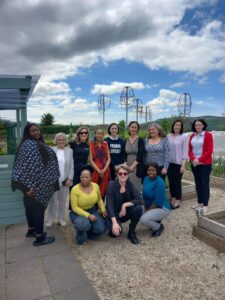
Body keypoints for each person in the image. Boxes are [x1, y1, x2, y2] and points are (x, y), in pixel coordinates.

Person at [11, 123, 60, 246]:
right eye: (32, 131)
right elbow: (44, 164)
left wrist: (25, 188)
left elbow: (20, 168)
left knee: (29, 209)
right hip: (37, 187)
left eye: (37, 130)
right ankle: (39, 238)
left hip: (28, 188)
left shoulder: (23, 146)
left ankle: (31, 230)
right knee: (38, 210)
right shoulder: (32, 146)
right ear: (27, 132)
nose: (36, 133)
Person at [106, 164, 143, 244]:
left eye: (125, 173)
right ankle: (110, 227)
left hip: (124, 213)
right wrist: (114, 223)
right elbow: (109, 205)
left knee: (139, 208)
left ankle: (131, 232)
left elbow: (140, 199)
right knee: (116, 234)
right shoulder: (111, 185)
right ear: (117, 174)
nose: (122, 175)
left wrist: (125, 205)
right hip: (114, 214)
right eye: (120, 173)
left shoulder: (130, 185)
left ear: (128, 174)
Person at [69, 167, 106, 245]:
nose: (84, 179)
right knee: (82, 239)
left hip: (92, 210)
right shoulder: (75, 189)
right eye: (82, 177)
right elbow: (74, 207)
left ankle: (86, 228)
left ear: (91, 178)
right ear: (79, 178)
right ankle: (81, 228)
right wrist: (88, 216)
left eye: (87, 177)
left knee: (100, 230)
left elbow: (99, 199)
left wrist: (103, 210)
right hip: (78, 213)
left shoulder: (95, 186)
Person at [46, 133, 74, 227]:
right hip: (53, 181)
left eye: (63, 140)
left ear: (65, 141)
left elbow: (71, 166)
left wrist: (70, 178)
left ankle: (61, 219)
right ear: (56, 141)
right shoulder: (51, 150)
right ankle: (50, 219)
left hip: (65, 181)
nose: (61, 141)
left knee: (62, 202)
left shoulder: (69, 151)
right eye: (59, 140)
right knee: (52, 202)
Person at [189, 119, 213, 214]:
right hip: (194, 163)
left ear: (203, 125)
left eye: (199, 125)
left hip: (204, 164)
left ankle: (205, 205)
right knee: (197, 183)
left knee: (204, 184)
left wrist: (199, 160)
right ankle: (199, 202)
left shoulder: (208, 135)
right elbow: (190, 150)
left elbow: (209, 150)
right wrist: (193, 159)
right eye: (196, 125)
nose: (198, 126)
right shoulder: (192, 135)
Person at [140, 163, 171, 237]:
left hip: (162, 207)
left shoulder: (160, 182)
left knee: (143, 219)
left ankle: (159, 227)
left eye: (153, 170)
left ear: (157, 171)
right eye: (149, 170)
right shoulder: (145, 179)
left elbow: (157, 202)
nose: (151, 172)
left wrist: (146, 211)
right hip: (149, 205)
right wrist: (144, 206)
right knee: (137, 211)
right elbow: (144, 194)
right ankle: (155, 220)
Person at [167, 120, 188, 209]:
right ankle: (173, 198)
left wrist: (183, 165)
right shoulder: (168, 136)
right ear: (173, 126)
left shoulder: (183, 137)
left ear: (181, 127)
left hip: (178, 163)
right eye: (175, 125)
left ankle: (178, 200)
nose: (177, 127)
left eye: (179, 125)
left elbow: (185, 151)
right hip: (169, 163)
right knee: (171, 182)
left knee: (177, 182)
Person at [89, 128, 111, 198]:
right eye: (98, 133)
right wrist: (99, 171)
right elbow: (91, 160)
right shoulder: (91, 144)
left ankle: (102, 207)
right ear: (95, 134)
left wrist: (104, 170)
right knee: (95, 188)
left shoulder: (106, 144)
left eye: (101, 134)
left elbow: (109, 158)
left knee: (105, 189)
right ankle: (95, 206)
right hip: (96, 169)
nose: (100, 135)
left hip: (105, 169)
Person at [125, 121, 146, 191]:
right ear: (128, 128)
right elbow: (123, 154)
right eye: (132, 127)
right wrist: (125, 165)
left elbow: (141, 154)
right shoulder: (125, 140)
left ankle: (136, 201)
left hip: (137, 165)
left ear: (137, 129)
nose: (133, 129)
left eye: (135, 127)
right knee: (126, 184)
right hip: (127, 165)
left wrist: (132, 166)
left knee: (135, 185)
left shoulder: (140, 140)